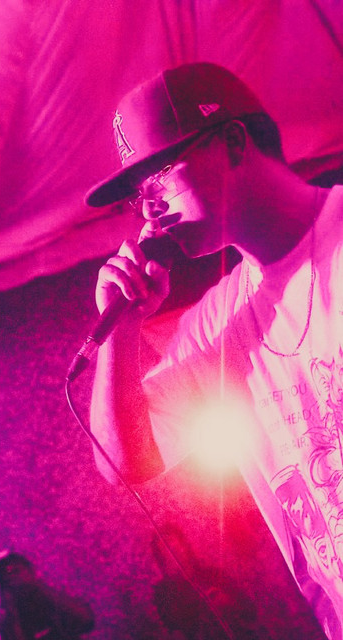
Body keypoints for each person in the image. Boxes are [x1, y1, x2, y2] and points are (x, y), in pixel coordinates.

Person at [85, 61, 343, 639]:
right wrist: (120, 329)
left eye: (159, 179)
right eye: (138, 197)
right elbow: (125, 462)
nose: (148, 210)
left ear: (232, 142)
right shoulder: (218, 322)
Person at [0, 551, 94, 640]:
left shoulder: (54, 599)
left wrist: (40, 588)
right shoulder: (8, 623)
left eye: (17, 571)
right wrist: (11, 612)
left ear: (30, 571)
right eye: (7, 580)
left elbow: (87, 621)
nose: (15, 580)